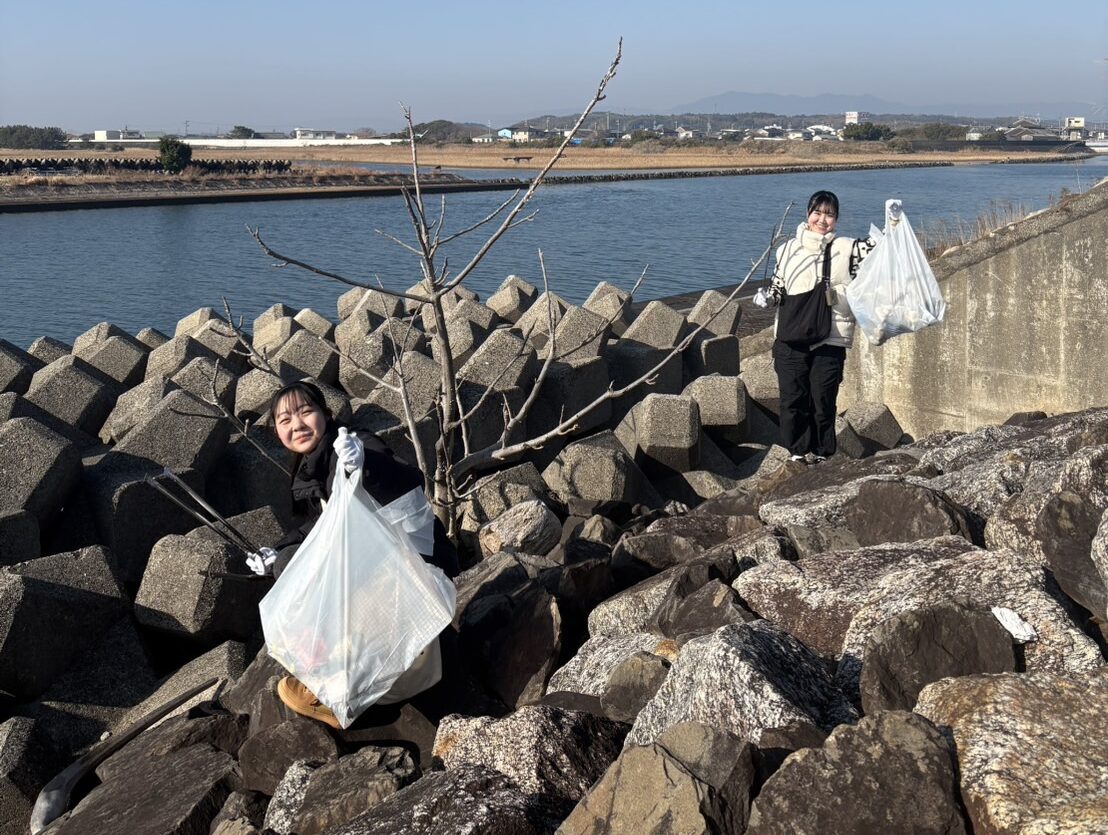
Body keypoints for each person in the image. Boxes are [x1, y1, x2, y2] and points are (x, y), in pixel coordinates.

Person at [246, 379, 459, 727]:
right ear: (276, 431)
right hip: (374, 565)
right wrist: (277, 550)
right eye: (285, 420)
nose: (296, 424)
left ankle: (344, 695)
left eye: (305, 412)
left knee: (314, 584)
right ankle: (331, 673)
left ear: (327, 415)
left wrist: (363, 466)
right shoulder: (312, 465)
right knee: (288, 566)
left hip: (413, 568)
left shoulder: (353, 443)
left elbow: (403, 479)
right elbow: (320, 524)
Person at [753, 190, 875, 463]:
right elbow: (778, 287)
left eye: (829, 214)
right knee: (792, 401)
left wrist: (893, 225)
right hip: (790, 338)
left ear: (837, 219)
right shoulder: (786, 250)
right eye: (817, 213)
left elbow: (880, 250)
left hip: (829, 339)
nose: (822, 219)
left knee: (822, 402)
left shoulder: (847, 248)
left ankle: (822, 456)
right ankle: (796, 454)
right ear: (807, 215)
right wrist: (767, 297)